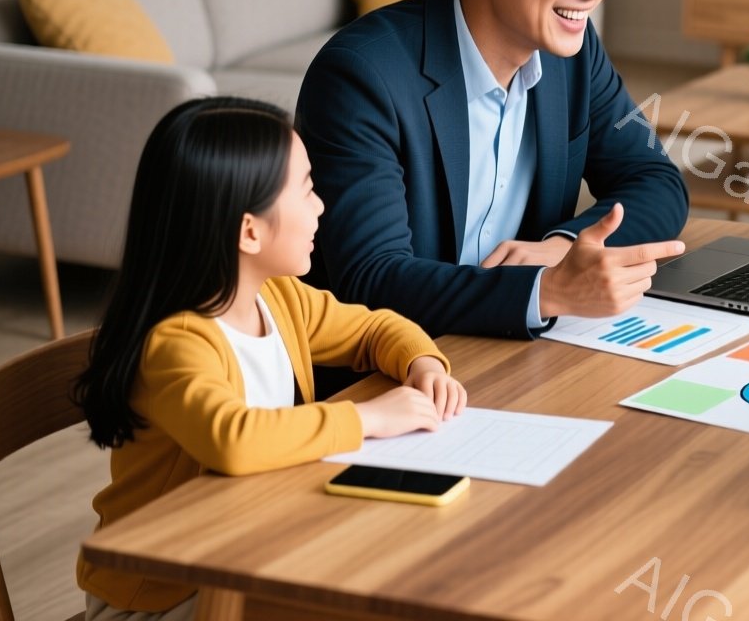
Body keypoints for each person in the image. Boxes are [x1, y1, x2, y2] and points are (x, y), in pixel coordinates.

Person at [73, 98, 465, 620]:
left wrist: (423, 364)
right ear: (250, 231)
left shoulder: (278, 297)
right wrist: (369, 418)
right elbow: (233, 439)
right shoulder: (177, 343)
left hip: (252, 546)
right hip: (163, 593)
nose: (321, 206)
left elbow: (373, 328)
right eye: (306, 189)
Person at [296, 0, 689, 341]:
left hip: (510, 348)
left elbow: (655, 180)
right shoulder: (361, 76)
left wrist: (562, 247)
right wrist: (544, 292)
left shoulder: (571, 52)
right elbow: (371, 278)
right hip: (394, 361)